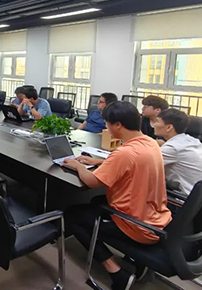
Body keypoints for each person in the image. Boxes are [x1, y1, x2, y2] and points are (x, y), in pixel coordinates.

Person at [64, 101, 172, 289]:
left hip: (136, 224)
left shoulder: (124, 153)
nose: (106, 128)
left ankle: (116, 272)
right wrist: (98, 161)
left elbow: (92, 181)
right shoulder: (150, 143)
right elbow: (129, 162)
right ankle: (137, 261)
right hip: (157, 218)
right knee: (96, 201)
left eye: (107, 124)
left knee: (72, 215)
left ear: (118, 125)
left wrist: (78, 166)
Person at [153, 108, 202, 212]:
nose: (154, 125)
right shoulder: (192, 141)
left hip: (195, 211)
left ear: (169, 127)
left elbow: (142, 164)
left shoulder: (173, 148)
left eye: (157, 121)